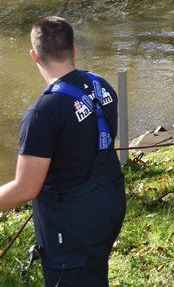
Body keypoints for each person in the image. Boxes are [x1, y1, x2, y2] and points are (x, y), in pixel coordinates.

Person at [0, 17, 126, 286]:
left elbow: (25, 188)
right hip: (109, 203)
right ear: (74, 49)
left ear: (34, 55)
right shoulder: (100, 86)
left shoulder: (42, 113)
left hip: (71, 225)